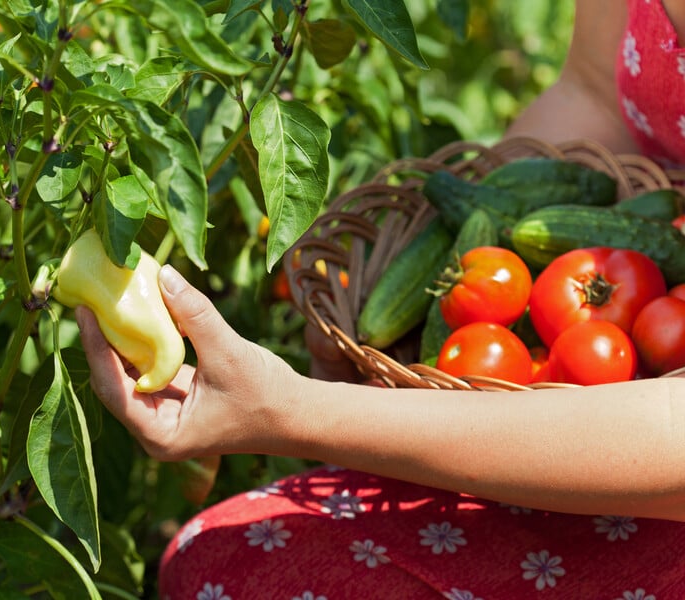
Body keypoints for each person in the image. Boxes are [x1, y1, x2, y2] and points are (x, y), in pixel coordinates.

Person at [77, 1, 685, 598]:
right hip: (596, 390)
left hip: (651, 472)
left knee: (237, 572)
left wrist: (295, 413)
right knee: (216, 557)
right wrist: (427, 263)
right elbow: (593, 93)